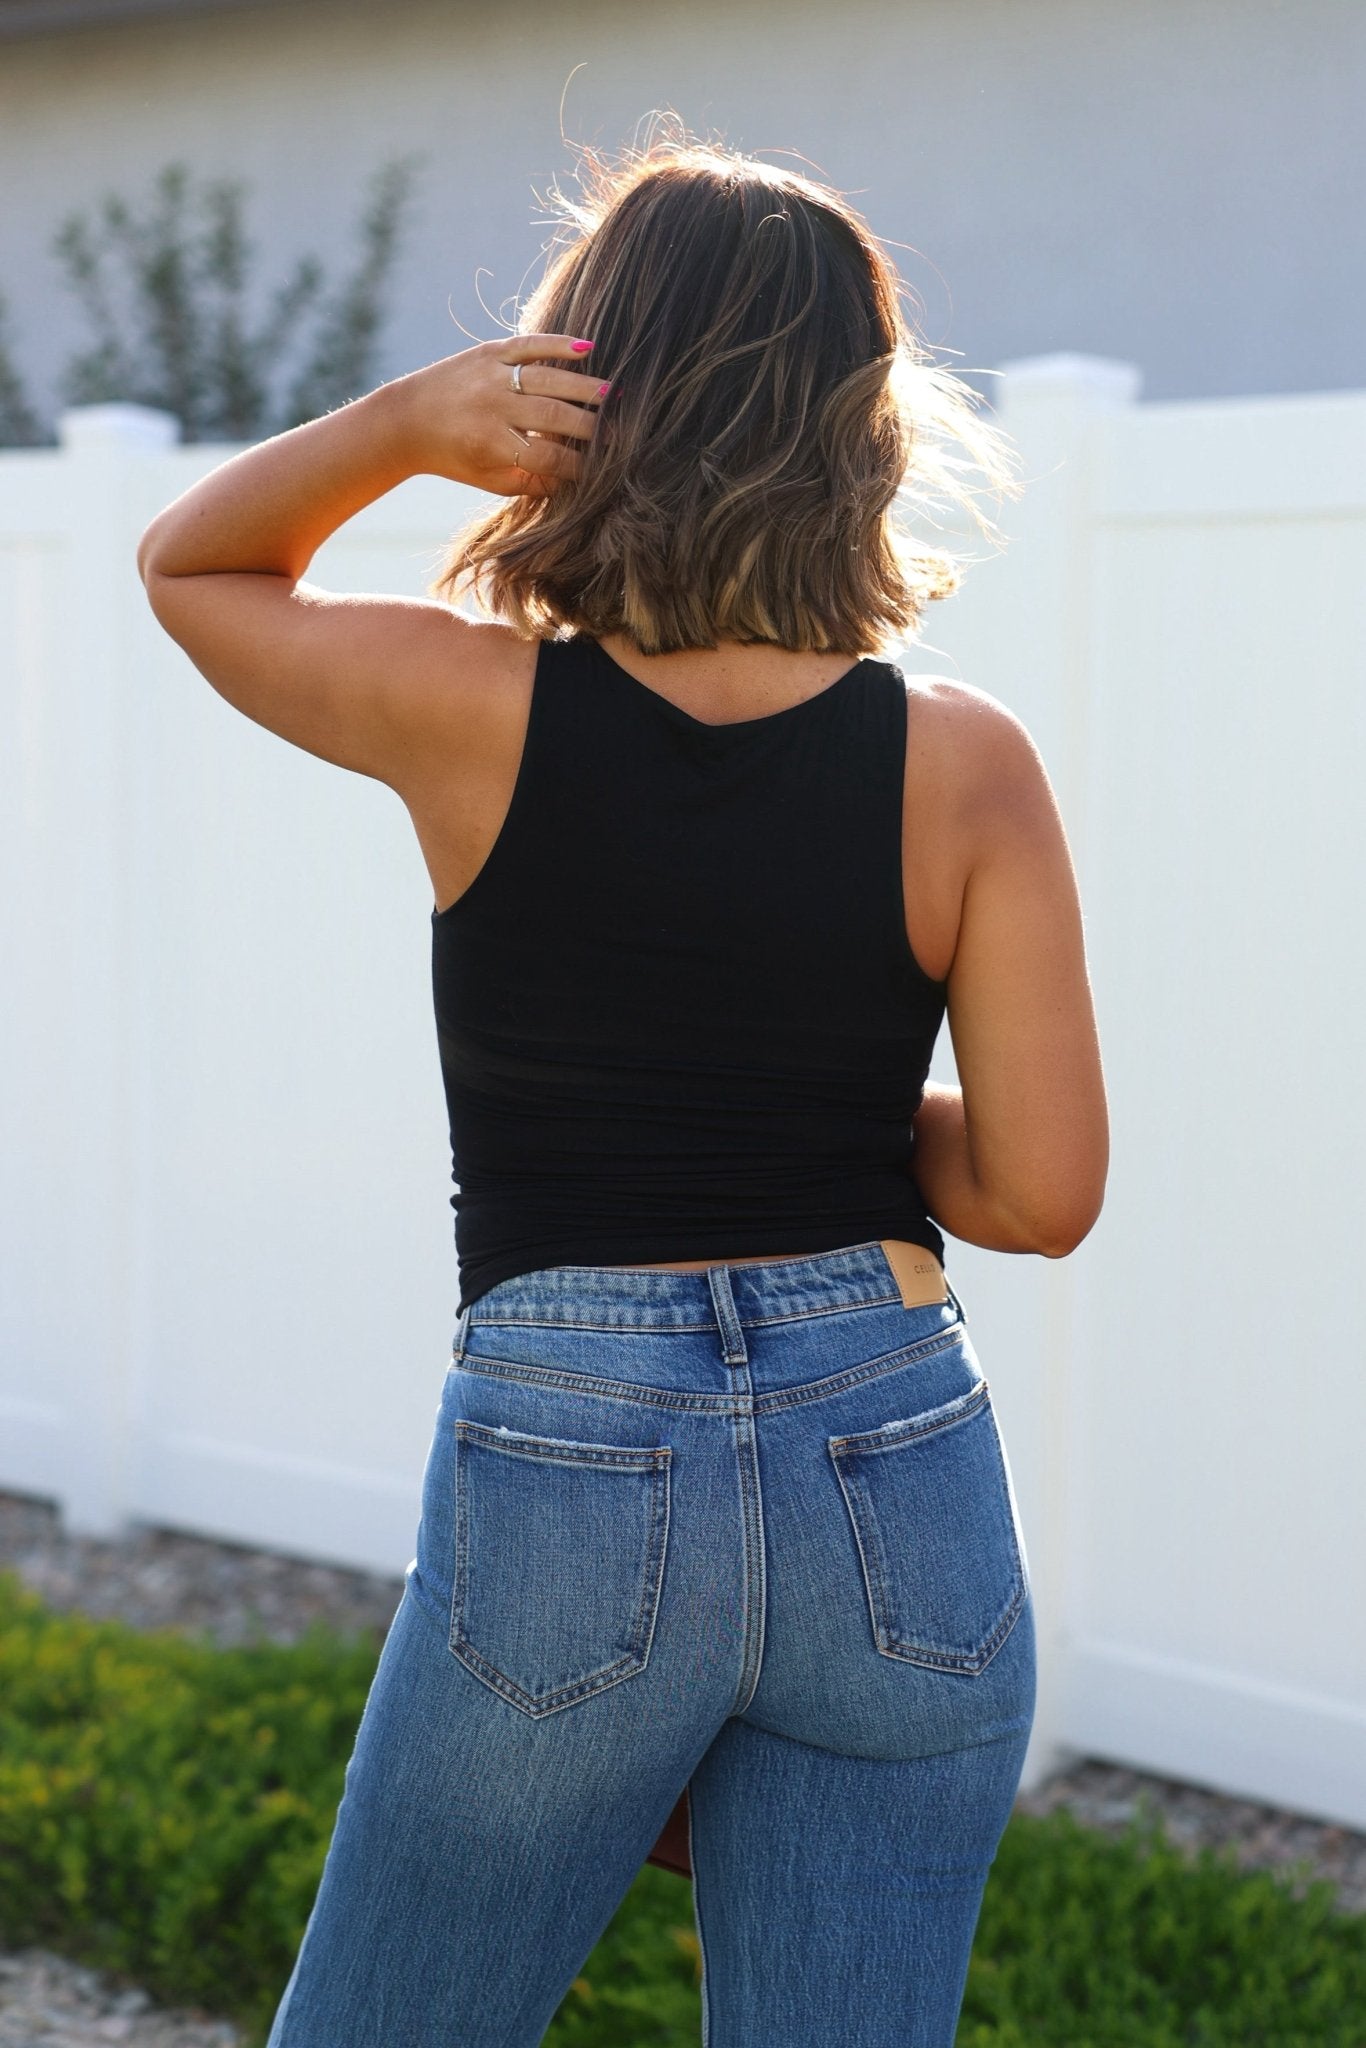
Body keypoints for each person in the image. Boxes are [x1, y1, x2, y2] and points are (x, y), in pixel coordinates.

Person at [137, 125, 1108, 2048]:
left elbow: (197, 564)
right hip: (895, 1463)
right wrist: (809, 1117)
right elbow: (1039, 1189)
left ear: (580, 406)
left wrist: (411, 421)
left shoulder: (465, 703)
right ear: (864, 425)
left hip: (577, 1453)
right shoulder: (963, 762)